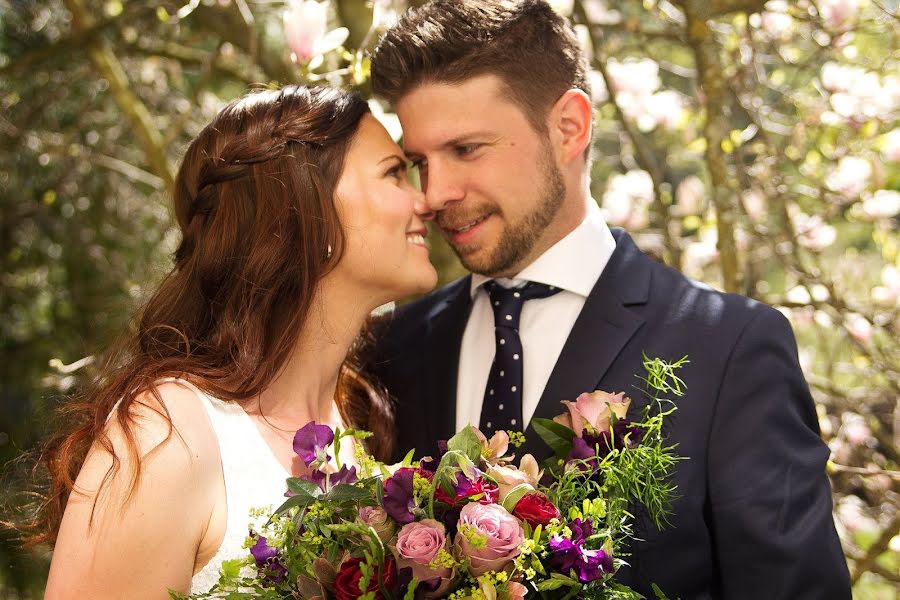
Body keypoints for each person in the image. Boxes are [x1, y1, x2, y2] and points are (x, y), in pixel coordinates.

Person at [366, 1, 851, 598]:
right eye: (419, 162)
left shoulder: (730, 349)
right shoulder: (396, 345)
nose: (435, 194)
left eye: (466, 150)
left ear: (569, 127)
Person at [34, 85, 436, 597]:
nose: (426, 201)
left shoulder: (353, 428)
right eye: (394, 173)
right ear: (305, 203)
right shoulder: (168, 433)